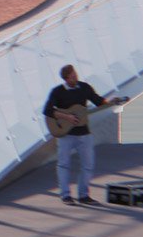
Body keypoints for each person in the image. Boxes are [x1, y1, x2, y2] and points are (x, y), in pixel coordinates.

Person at [44, 65, 130, 205]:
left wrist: (111, 102)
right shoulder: (57, 92)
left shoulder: (84, 87)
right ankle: (65, 195)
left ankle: (84, 195)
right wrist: (67, 117)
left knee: (88, 165)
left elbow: (98, 101)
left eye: (75, 75)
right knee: (64, 164)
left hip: (84, 133)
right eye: (72, 77)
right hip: (66, 135)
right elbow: (47, 111)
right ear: (66, 79)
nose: (75, 78)